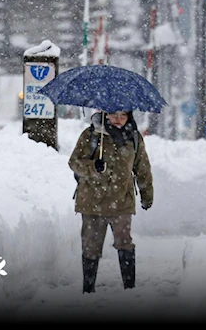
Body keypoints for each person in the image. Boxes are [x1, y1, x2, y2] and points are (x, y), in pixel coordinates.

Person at [68, 110, 153, 293]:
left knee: (125, 243)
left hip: (122, 201)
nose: (118, 120)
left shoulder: (134, 138)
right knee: (90, 247)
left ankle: (129, 288)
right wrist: (92, 167)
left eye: (123, 116)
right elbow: (74, 162)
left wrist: (147, 195)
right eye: (114, 115)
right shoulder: (91, 135)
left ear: (129, 117)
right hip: (92, 201)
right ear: (106, 115)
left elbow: (142, 168)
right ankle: (88, 289)